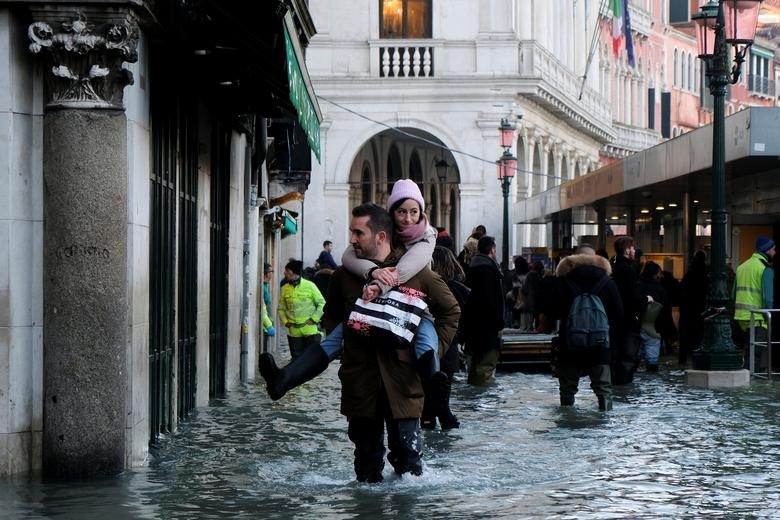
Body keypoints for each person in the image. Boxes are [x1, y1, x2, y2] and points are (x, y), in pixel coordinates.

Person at [260, 179, 455, 424]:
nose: (408, 218)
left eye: (414, 212)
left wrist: (380, 283)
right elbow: (347, 258)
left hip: (415, 313)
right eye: (401, 212)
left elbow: (411, 268)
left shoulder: (426, 236)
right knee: (334, 339)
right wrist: (372, 272)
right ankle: (283, 380)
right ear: (392, 213)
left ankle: (436, 397)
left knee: (426, 343)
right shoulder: (379, 239)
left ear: (421, 212)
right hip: (372, 319)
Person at [324, 203, 459, 482]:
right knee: (365, 466)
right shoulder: (344, 275)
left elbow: (450, 311)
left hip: (404, 382)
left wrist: (431, 353)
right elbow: (332, 315)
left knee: (410, 468)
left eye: (358, 233)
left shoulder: (416, 271)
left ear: (381, 236)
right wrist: (348, 348)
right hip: (361, 382)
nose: (351, 239)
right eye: (351, 232)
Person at [540, 250, 623, 410]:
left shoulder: (563, 282)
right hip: (600, 345)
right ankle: (605, 419)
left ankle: (567, 421)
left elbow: (551, 312)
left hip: (570, 344)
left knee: (567, 390)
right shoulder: (607, 282)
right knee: (604, 389)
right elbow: (618, 315)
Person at [427, 245, 470, 430]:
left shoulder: (426, 288)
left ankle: (433, 422)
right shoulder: (460, 290)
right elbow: (466, 319)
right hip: (450, 346)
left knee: (428, 396)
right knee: (444, 395)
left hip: (427, 347)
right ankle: (447, 424)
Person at [460, 235, 505, 386]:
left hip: (475, 326)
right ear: (492, 249)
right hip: (487, 326)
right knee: (485, 366)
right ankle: (481, 396)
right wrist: (498, 322)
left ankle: (474, 394)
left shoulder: (475, 267)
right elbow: (490, 300)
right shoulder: (488, 269)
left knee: (475, 366)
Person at [734, 236, 775, 371]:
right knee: (755, 353)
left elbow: (733, 294)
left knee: (749, 350)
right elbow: (768, 299)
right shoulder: (765, 269)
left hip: (741, 317)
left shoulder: (741, 267)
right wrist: (769, 316)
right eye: (773, 249)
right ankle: (750, 378)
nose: (775, 252)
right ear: (767, 250)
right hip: (757, 318)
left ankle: (746, 374)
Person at [610, 236, 643, 384]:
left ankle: (615, 386)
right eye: (632, 248)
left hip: (614, 319)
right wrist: (645, 299)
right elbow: (632, 297)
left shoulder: (613, 268)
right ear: (627, 250)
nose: (634, 250)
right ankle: (623, 389)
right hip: (628, 320)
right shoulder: (628, 270)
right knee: (627, 358)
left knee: (616, 357)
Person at [278, 259, 326, 360]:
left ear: (294, 272)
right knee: (297, 360)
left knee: (311, 359)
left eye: (287, 270)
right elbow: (280, 309)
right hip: (294, 330)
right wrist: (285, 322)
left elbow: (322, 304)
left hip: (310, 329)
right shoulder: (284, 288)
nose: (284, 273)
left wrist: (314, 319)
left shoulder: (310, 286)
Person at [636, 261, 676, 373]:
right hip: (654, 328)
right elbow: (665, 313)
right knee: (652, 361)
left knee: (634, 357)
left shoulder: (637, 286)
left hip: (636, 327)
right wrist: (668, 332)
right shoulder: (660, 289)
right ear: (655, 274)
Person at [678, 250, 708, 366]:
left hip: (687, 308)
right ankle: (697, 357)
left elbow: (682, 291)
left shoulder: (688, 275)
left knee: (684, 334)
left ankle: (682, 358)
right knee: (698, 334)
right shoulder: (705, 275)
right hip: (700, 308)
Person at [504, 255, 530, 329]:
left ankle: (513, 321)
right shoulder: (529, 274)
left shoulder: (515, 275)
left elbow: (516, 288)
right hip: (528, 295)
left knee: (509, 298)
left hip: (519, 296)